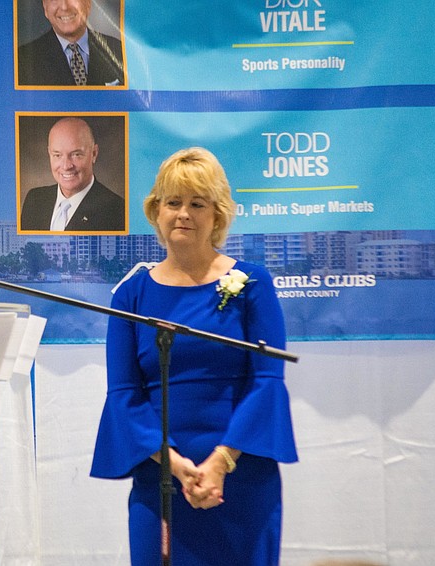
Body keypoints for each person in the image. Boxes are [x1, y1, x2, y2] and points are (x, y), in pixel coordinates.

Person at [90, 147, 298, 565]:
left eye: (197, 204)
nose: (183, 214)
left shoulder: (252, 282)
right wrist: (176, 466)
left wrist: (220, 463)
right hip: (161, 481)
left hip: (241, 477)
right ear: (156, 211)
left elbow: (267, 381)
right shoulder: (130, 295)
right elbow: (124, 396)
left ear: (217, 215)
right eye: (173, 202)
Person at [20, 116, 125, 232]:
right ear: (49, 154)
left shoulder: (117, 211)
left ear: (94, 154)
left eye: (76, 155)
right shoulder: (35, 199)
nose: (66, 166)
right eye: (57, 155)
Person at [18, 0, 124, 86]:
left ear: (88, 3)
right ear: (45, 7)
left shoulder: (118, 50)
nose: (64, 7)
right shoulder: (23, 60)